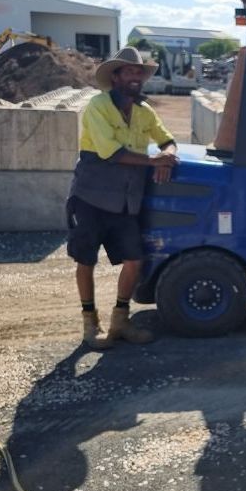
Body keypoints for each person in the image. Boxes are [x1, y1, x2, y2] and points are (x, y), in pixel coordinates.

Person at [67, 46, 179, 349]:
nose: (135, 77)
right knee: (86, 259)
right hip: (92, 197)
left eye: (139, 72)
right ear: (115, 76)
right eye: (129, 71)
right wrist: (153, 162)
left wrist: (167, 156)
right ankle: (90, 323)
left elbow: (167, 140)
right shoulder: (98, 106)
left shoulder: (145, 111)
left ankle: (120, 319)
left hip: (126, 202)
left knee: (134, 260)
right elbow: (111, 152)